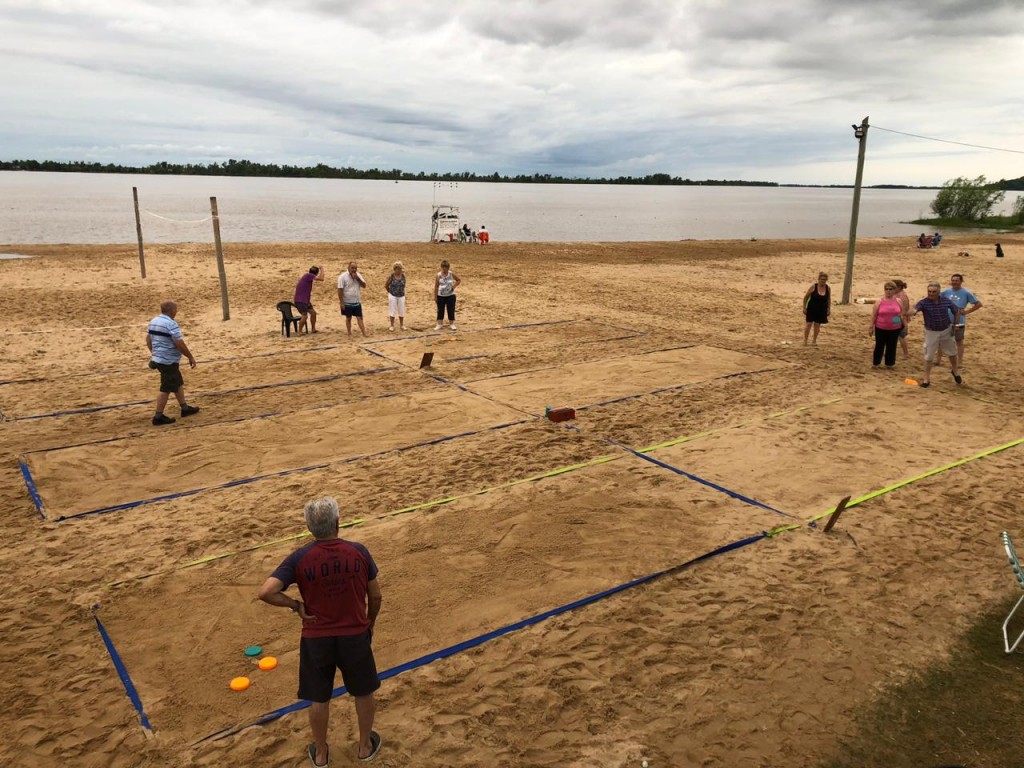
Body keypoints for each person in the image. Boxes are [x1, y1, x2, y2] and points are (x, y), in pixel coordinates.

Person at [258, 497, 383, 766]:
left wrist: (295, 605)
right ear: (337, 523)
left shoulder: (300, 557)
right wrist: (369, 621)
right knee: (363, 692)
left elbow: (266, 592)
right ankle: (364, 747)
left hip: (316, 637)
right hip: (354, 635)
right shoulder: (359, 551)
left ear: (310, 528)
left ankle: (322, 752)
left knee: (318, 697)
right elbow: (376, 595)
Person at [146, 301, 199, 426]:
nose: (176, 312)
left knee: (177, 382)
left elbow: (148, 339)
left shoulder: (154, 321)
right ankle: (158, 416)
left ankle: (185, 408)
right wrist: (190, 357)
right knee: (166, 388)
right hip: (168, 361)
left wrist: (155, 353)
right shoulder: (170, 324)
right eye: (176, 309)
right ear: (171, 311)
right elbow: (179, 343)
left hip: (160, 359)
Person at [909, 282, 962, 388]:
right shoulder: (924, 302)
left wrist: (955, 324)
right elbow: (915, 309)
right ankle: (926, 379)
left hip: (946, 330)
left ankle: (955, 371)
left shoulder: (945, 301)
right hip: (931, 332)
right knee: (929, 356)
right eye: (929, 291)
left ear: (938, 292)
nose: (931, 294)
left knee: (952, 353)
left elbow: (957, 311)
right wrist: (911, 312)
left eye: (934, 292)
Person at [937, 273, 982, 367]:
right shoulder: (946, 292)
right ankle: (938, 360)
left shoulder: (966, 293)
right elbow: (937, 300)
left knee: (959, 341)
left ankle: (960, 362)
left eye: (956, 280)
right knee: (941, 340)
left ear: (961, 281)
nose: (954, 282)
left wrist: (967, 312)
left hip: (959, 321)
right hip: (945, 320)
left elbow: (978, 304)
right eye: (953, 280)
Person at [869, 281, 905, 369]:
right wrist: (871, 327)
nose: (888, 291)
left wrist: (900, 324)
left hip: (894, 328)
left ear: (894, 290)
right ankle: (876, 363)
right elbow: (874, 315)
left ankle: (889, 364)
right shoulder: (879, 302)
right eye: (886, 289)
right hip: (880, 327)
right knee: (879, 346)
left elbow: (900, 314)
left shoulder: (898, 301)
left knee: (892, 346)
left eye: (890, 289)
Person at [338, 261, 368, 337]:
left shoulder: (358, 275)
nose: (354, 270)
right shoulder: (342, 276)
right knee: (348, 318)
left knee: (360, 318)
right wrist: (341, 302)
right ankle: (349, 333)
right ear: (348, 267)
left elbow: (364, 286)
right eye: (352, 268)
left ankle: (364, 333)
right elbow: (340, 290)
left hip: (357, 301)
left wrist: (357, 279)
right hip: (347, 302)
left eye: (355, 268)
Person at [802, 272, 830, 346]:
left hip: (822, 309)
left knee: (817, 325)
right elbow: (806, 297)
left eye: (824, 279)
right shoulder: (813, 287)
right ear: (818, 279)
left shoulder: (828, 288)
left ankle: (814, 341)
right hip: (812, 308)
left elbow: (829, 299)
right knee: (808, 324)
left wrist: (828, 309)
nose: (823, 281)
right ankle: (805, 340)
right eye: (821, 279)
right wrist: (804, 307)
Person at [294, 266, 324, 334]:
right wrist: (322, 269)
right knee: (304, 316)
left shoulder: (307, 276)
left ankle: (313, 329)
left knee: (313, 313)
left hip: (305, 300)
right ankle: (300, 331)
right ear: (316, 273)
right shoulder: (309, 275)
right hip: (301, 301)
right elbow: (321, 279)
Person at [434, 260, 461, 331]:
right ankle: (439, 324)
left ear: (448, 268)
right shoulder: (438, 275)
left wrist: (454, 286)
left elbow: (458, 280)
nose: (444, 269)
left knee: (451, 309)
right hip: (441, 295)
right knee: (440, 310)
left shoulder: (451, 274)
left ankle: (452, 324)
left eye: (446, 267)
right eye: (443, 267)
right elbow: (436, 286)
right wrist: (435, 296)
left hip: (450, 295)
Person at [384, 261, 406, 332]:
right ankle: (392, 325)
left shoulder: (403, 276)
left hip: (401, 295)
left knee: (401, 310)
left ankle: (402, 325)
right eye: (398, 269)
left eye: (400, 269)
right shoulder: (391, 276)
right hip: (392, 295)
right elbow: (386, 285)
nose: (399, 270)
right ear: (395, 269)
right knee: (392, 310)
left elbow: (404, 284)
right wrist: (390, 292)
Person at [893, 279, 911, 359]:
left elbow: (904, 310)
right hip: (896, 317)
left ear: (899, 287)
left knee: (900, 336)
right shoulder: (897, 294)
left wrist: (904, 324)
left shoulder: (902, 296)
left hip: (899, 318)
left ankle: (906, 354)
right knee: (894, 335)